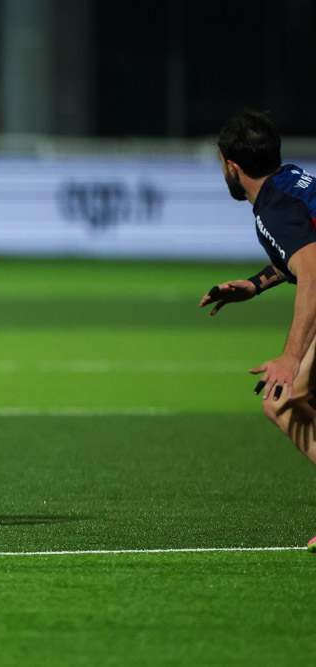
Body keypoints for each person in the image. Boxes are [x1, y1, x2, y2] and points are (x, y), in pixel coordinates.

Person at [200, 107, 316, 553]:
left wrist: (290, 357)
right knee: (289, 399)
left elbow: (312, 272)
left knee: (285, 397)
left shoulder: (274, 207)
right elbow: (301, 252)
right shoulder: (292, 182)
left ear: (231, 166)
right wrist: (255, 284)